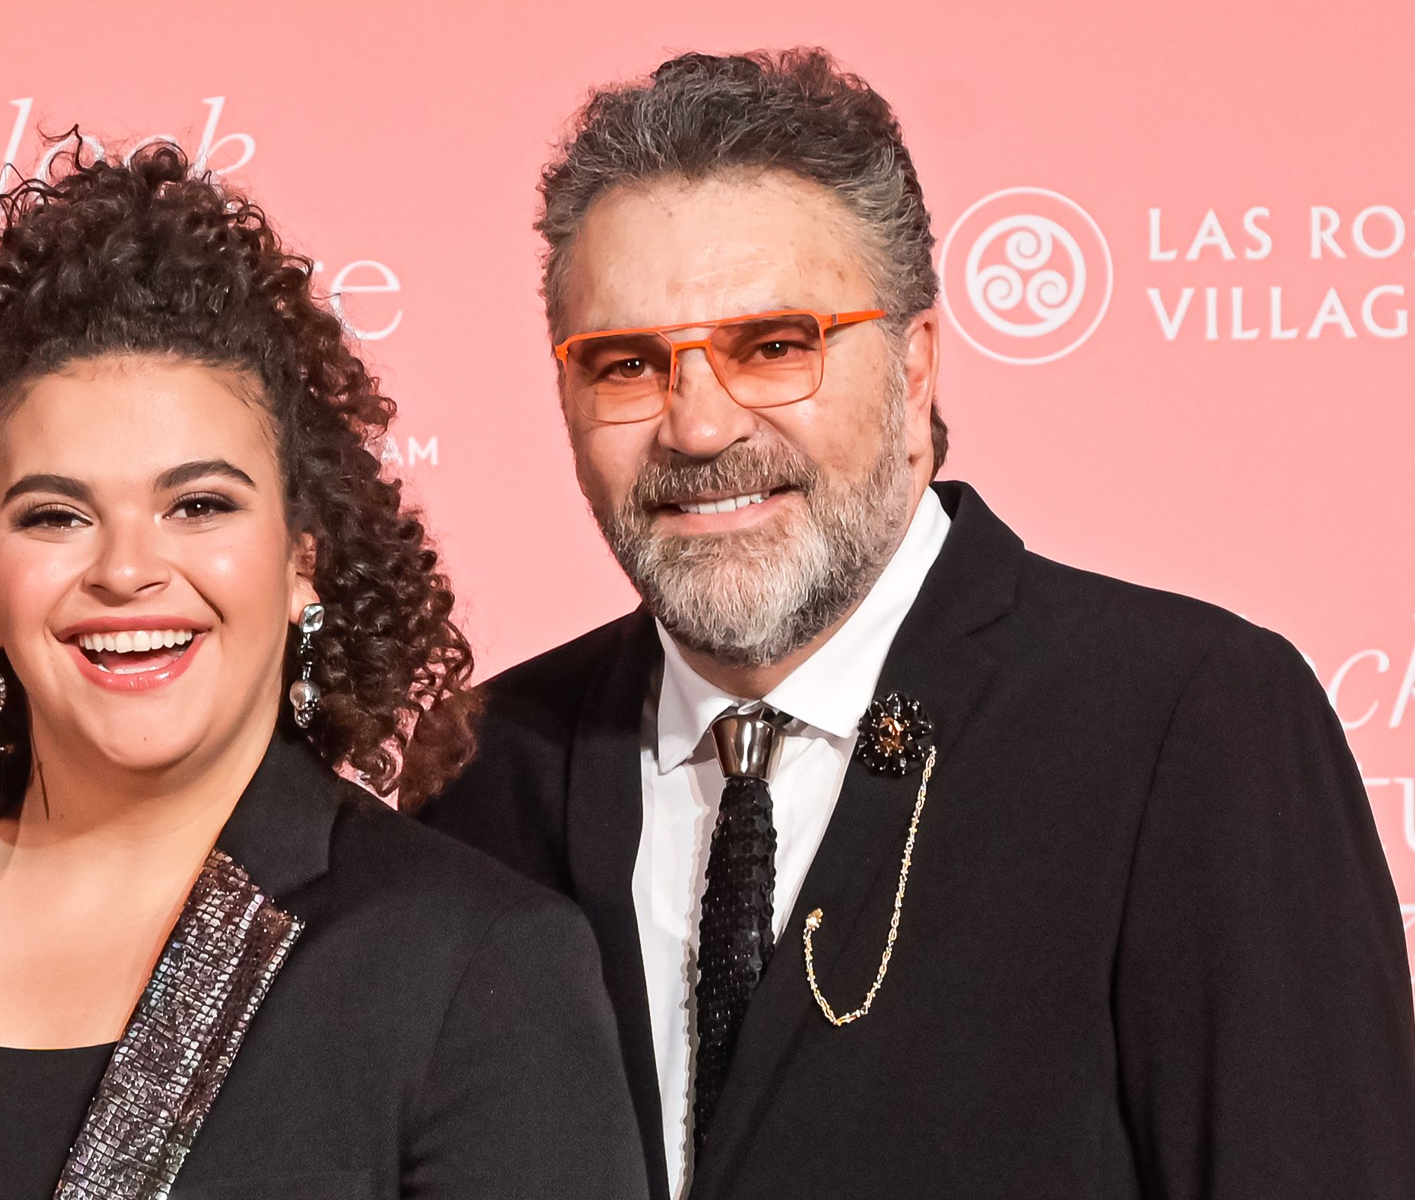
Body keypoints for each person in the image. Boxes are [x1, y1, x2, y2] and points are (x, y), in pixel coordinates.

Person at [419, 48, 1415, 1200]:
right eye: (627, 364)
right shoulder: (484, 770)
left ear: (917, 367)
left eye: (775, 347)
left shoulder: (1188, 726)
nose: (697, 427)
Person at [0, 143, 648, 1200]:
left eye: (200, 505)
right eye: (55, 515)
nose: (128, 570)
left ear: (302, 562)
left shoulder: (474, 967)